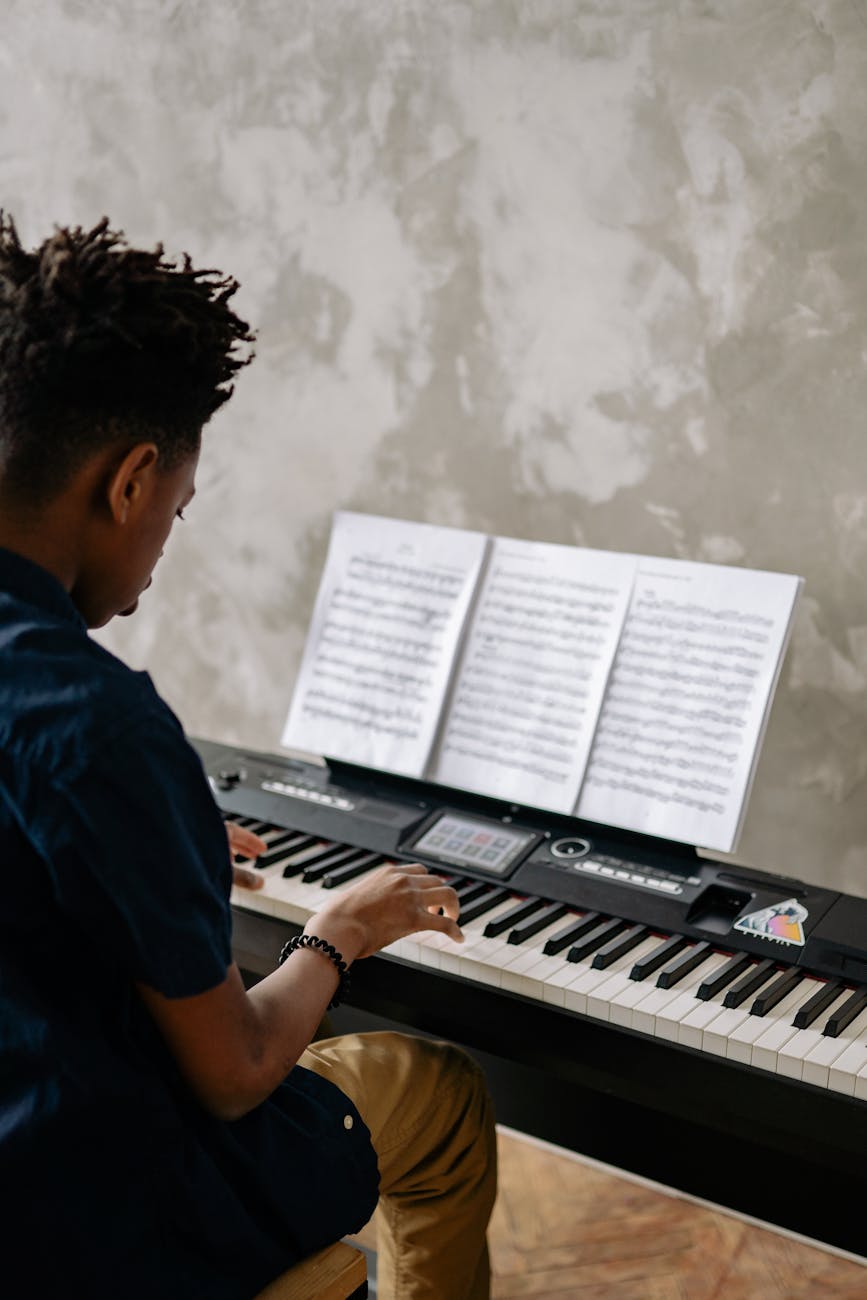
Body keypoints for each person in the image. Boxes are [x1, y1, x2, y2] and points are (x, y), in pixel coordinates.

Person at [0, 214, 497, 1299]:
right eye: (176, 509)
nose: (161, 548)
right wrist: (340, 931)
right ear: (130, 481)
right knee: (444, 1093)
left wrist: (155, 853)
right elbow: (233, 1073)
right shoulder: (96, 722)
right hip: (87, 1216)